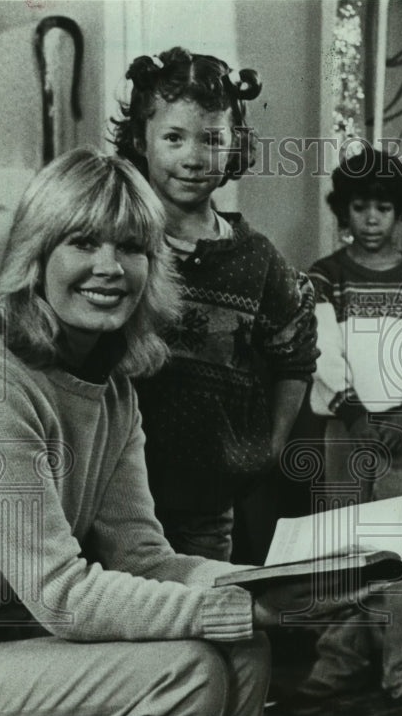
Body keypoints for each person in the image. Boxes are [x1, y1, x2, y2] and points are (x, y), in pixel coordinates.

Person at [0, 148, 333, 716]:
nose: (110, 267)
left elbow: (145, 559)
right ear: (36, 257)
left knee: (245, 645)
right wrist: (231, 607)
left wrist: (268, 589)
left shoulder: (112, 389)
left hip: (15, 638)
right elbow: (62, 594)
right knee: (186, 671)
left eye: (131, 247)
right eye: (82, 242)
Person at [110, 46, 318, 563]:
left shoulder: (256, 259)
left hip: (208, 501)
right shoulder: (116, 241)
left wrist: (272, 445)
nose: (193, 157)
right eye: (173, 137)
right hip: (111, 492)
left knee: (206, 619)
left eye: (212, 139)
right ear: (141, 140)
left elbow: (296, 353)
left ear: (234, 147)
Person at [293, 147, 402, 706]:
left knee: (399, 550)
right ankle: (339, 656)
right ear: (344, 211)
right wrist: (354, 413)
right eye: (361, 207)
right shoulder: (326, 277)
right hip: (347, 429)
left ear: (401, 213)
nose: (373, 219)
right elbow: (322, 347)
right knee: (341, 546)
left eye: (384, 207)